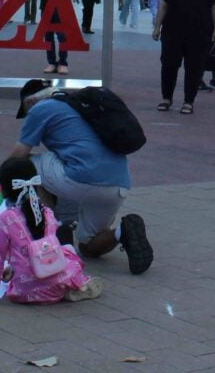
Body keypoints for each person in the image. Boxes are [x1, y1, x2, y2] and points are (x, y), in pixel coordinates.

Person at [11, 80, 153, 274]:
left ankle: (50, 233)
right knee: (88, 246)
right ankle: (123, 231)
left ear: (30, 103)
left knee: (25, 165)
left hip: (81, 178)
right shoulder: (81, 106)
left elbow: (18, 155)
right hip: (118, 184)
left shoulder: (41, 108)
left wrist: (4, 180)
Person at [0, 156, 103, 305]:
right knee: (64, 238)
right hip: (56, 286)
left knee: (27, 257)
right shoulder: (47, 213)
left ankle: (23, 274)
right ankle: (78, 283)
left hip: (24, 292)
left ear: (4, 190)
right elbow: (47, 250)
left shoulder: (5, 219)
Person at [152, 0, 215, 114]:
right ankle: (166, 98)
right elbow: (163, 5)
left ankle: (189, 101)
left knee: (194, 67)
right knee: (169, 65)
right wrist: (157, 27)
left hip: (198, 33)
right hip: (172, 32)